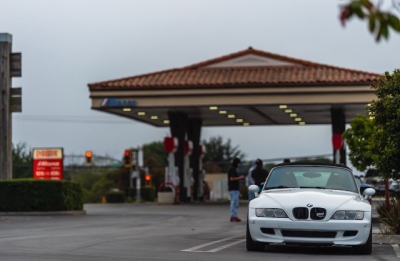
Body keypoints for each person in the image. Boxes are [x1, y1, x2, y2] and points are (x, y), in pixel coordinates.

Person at [228, 157, 245, 222]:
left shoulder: (233, 169)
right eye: (238, 163)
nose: (239, 165)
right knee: (234, 203)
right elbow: (231, 179)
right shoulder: (232, 169)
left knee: (235, 203)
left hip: (234, 189)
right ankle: (233, 216)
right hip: (234, 189)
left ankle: (234, 215)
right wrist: (240, 178)